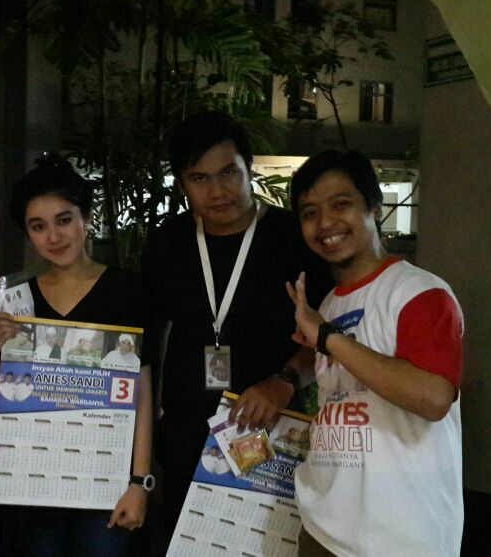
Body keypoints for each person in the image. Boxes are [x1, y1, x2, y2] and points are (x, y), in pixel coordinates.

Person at [140, 112, 331, 528]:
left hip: (274, 428)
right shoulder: (167, 243)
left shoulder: (292, 239)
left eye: (229, 172)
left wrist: (285, 379)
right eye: (199, 178)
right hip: (185, 434)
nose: (218, 191)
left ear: (249, 167)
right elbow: (149, 340)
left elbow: (328, 335)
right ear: (182, 184)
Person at [285, 150, 464, 556]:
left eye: (341, 205)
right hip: (323, 529)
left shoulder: (419, 292)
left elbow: (433, 398)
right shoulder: (329, 303)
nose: (325, 223)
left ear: (375, 209)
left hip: (399, 539)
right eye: (310, 213)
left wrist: (328, 338)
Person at [0, 154, 154, 556]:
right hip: (35, 482)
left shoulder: (128, 290)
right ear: (28, 235)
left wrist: (140, 481)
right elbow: (11, 395)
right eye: (38, 226)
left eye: (64, 220)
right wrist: (1, 349)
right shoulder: (18, 302)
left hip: (105, 480)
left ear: (87, 218)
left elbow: (143, 392)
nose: (54, 236)